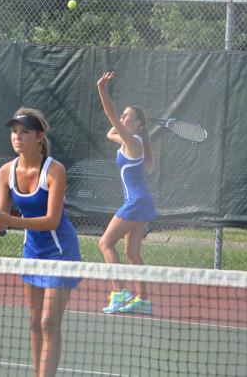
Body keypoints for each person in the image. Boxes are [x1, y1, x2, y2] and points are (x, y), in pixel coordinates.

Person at [0, 107, 81, 377]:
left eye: (24, 132)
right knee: (33, 323)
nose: (17, 137)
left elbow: (52, 220)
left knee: (49, 322)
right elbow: (2, 222)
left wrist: (9, 221)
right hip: (32, 251)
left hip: (60, 252)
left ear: (39, 137)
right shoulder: (6, 172)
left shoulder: (55, 170)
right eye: (14, 132)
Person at [96, 71, 156, 314]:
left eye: (127, 116)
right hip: (142, 202)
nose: (121, 117)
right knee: (132, 253)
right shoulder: (130, 141)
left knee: (105, 243)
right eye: (122, 115)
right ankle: (142, 299)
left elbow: (110, 115)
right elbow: (110, 132)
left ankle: (119, 292)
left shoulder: (133, 143)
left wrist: (102, 88)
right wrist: (124, 124)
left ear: (139, 124)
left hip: (135, 201)